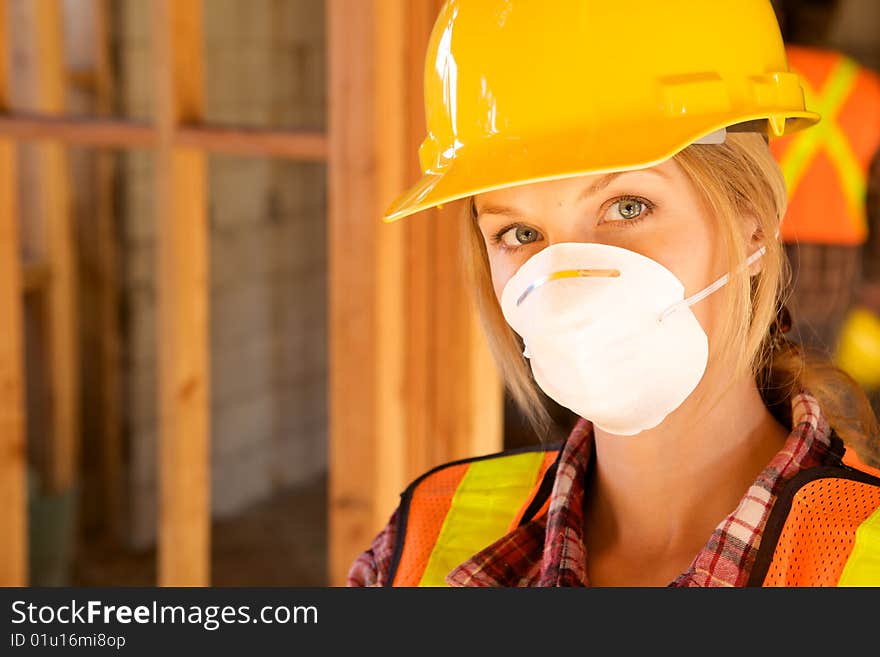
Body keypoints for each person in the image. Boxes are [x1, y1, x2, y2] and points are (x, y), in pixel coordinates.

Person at [348, 0, 880, 587]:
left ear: (753, 219)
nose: (568, 282)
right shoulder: (422, 537)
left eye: (628, 207)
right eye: (519, 233)